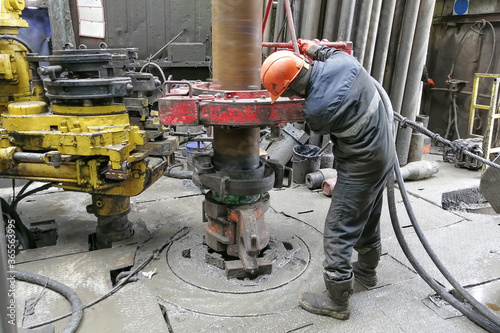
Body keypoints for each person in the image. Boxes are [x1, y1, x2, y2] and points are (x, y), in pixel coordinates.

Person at [260, 41, 396, 320]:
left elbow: (309, 124)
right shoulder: (345, 62)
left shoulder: (317, 110)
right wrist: (310, 46)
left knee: (339, 228)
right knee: (367, 215)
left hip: (361, 164)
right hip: (384, 152)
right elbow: (328, 52)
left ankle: (337, 300)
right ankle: (367, 273)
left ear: (292, 89)